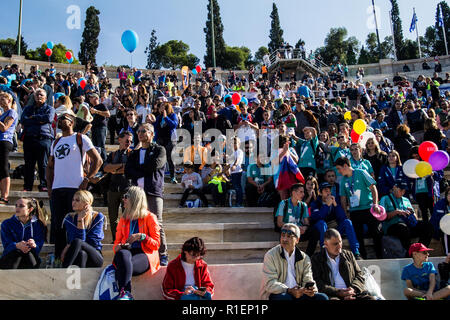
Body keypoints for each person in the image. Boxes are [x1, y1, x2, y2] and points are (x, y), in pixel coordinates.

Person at [46, 110, 102, 260]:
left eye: (65, 118)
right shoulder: (55, 142)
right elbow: (50, 166)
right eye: (60, 118)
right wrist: (50, 187)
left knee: (75, 224)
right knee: (58, 225)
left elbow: (98, 160)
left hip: (75, 189)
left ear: (72, 122)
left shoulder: (80, 138)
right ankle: (59, 258)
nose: (61, 120)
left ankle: (75, 256)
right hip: (58, 189)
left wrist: (87, 179)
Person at [125, 123, 169, 266]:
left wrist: (137, 169)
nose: (141, 133)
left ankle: (162, 254)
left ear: (152, 133)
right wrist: (142, 170)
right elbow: (127, 171)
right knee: (136, 222)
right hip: (137, 193)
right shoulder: (135, 153)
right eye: (138, 131)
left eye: (144, 131)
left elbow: (155, 165)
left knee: (157, 223)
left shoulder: (160, 150)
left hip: (153, 191)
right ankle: (140, 251)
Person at [112, 186, 161, 300]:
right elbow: (116, 244)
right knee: (122, 255)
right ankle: (126, 293)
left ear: (134, 199)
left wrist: (142, 236)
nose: (123, 199)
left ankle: (123, 293)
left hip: (145, 253)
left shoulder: (150, 217)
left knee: (124, 268)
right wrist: (118, 247)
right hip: (126, 252)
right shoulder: (123, 219)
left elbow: (156, 244)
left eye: (126, 197)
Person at [260, 223, 329, 300]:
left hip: (299, 294)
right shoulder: (271, 255)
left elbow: (308, 279)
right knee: (285, 298)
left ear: (297, 240)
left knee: (323, 297)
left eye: (289, 236)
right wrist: (289, 290)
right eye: (283, 235)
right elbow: (270, 283)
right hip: (279, 294)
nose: (284, 239)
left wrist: (310, 290)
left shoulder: (305, 258)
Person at [335, 157, 383, 259]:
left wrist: (375, 204)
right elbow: (343, 198)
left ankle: (381, 257)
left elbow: (373, 187)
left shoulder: (361, 172)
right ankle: (363, 259)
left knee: (376, 233)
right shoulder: (343, 180)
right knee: (358, 236)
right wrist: (345, 213)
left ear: (345, 166)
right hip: (355, 211)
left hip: (369, 208)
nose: (338, 171)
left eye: (339, 168)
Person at [311, 229, 374, 300]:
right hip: (332, 295)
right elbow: (317, 282)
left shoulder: (348, 255)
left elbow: (359, 275)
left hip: (352, 293)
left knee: (370, 298)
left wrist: (353, 289)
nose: (339, 246)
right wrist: (338, 292)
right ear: (326, 244)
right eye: (335, 244)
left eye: (340, 242)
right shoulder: (316, 259)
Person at [310, 183, 361, 258]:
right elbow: (317, 218)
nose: (328, 193)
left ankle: (356, 252)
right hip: (321, 231)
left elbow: (343, 218)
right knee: (321, 223)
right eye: (326, 191)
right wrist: (326, 206)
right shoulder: (315, 203)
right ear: (320, 193)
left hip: (334, 230)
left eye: (329, 191)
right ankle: (324, 251)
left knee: (347, 222)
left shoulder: (335, 201)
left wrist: (336, 205)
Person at [379, 184, 433, 254]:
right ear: (394, 187)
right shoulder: (385, 199)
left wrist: (411, 213)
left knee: (428, 226)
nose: (402, 192)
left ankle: (419, 250)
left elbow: (415, 218)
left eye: (404, 190)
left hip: (407, 225)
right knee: (403, 229)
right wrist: (396, 212)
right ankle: (409, 253)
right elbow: (382, 217)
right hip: (392, 226)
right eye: (401, 190)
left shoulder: (406, 200)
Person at [20, 89, 55, 192]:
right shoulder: (28, 108)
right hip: (29, 138)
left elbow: (48, 118)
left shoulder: (50, 108)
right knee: (29, 164)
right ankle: (27, 186)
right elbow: (23, 120)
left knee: (43, 164)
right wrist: (39, 119)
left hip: (43, 138)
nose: (39, 96)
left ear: (45, 97)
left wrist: (33, 118)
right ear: (34, 97)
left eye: (41, 94)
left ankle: (44, 184)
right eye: (37, 94)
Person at [274, 183, 320, 257]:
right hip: (288, 230)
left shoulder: (303, 205)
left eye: (303, 192)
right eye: (301, 192)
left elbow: (307, 223)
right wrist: (294, 228)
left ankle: (308, 256)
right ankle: (289, 256)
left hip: (300, 231)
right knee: (288, 233)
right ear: (293, 192)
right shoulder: (284, 203)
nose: (303, 194)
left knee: (315, 231)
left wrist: (304, 228)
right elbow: (279, 223)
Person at [61, 190, 105, 268]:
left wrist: (80, 220)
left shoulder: (97, 217)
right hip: (77, 255)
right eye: (73, 200)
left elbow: (92, 242)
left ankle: (64, 269)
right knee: (82, 253)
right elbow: (73, 242)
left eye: (77, 200)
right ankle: (76, 276)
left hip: (94, 256)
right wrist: (80, 220)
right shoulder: (69, 218)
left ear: (86, 204)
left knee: (78, 242)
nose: (73, 202)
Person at [103, 131, 133, 242]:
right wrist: (121, 166)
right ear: (119, 139)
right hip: (113, 188)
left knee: (127, 217)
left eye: (130, 141)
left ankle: (125, 238)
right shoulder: (113, 154)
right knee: (112, 217)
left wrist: (114, 169)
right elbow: (106, 168)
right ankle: (116, 239)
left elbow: (130, 168)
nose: (129, 143)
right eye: (127, 140)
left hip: (127, 189)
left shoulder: (132, 154)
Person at [0, 198, 47, 269]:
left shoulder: (39, 225)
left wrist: (34, 245)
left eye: (21, 206)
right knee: (17, 253)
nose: (17, 208)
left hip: (30, 256)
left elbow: (38, 249)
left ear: (30, 209)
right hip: (11, 256)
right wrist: (17, 245)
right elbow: (7, 246)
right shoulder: (6, 223)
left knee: (28, 255)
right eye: (16, 205)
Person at [0, 92, 18, 204]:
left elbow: (4, 128)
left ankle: (4, 196)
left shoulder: (12, 112)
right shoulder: (3, 113)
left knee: (3, 168)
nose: (0, 101)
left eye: (3, 99)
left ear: (9, 100)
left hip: (5, 141)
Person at [154, 102, 178, 184]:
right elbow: (156, 127)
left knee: (170, 159)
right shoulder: (159, 116)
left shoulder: (173, 115)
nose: (160, 108)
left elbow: (174, 125)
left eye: (162, 107)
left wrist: (166, 117)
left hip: (170, 140)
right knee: (159, 159)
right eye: (160, 107)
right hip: (160, 140)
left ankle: (173, 177)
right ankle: (159, 177)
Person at [88, 93, 110, 161]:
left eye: (92, 97)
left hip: (101, 127)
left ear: (96, 98)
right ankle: (98, 161)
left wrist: (96, 111)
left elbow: (108, 114)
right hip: (94, 127)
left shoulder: (101, 105)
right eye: (90, 97)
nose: (90, 99)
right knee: (95, 146)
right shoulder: (92, 108)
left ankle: (104, 161)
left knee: (101, 145)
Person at [430, 187, 450, 255]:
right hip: (440, 228)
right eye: (449, 194)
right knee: (447, 231)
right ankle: (448, 253)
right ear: (446, 195)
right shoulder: (440, 204)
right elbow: (436, 219)